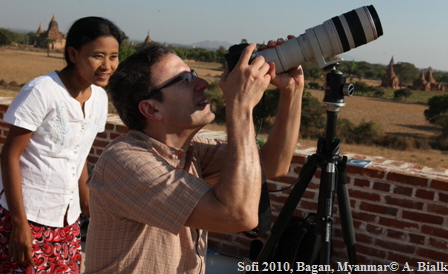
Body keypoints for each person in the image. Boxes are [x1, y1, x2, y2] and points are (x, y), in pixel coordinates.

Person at [84, 39, 304, 274]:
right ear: (151, 109)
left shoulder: (190, 151)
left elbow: (272, 165)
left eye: (194, 74)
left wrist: (292, 91)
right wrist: (240, 105)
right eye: (185, 80)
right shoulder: (125, 162)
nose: (202, 84)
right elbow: (239, 215)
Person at [0, 16, 122, 273]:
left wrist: (86, 201)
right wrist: (19, 224)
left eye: (113, 57)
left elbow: (79, 156)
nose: (107, 66)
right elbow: (10, 155)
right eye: (98, 56)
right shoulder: (43, 91)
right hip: (27, 213)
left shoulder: (99, 97)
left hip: (67, 216)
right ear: (73, 54)